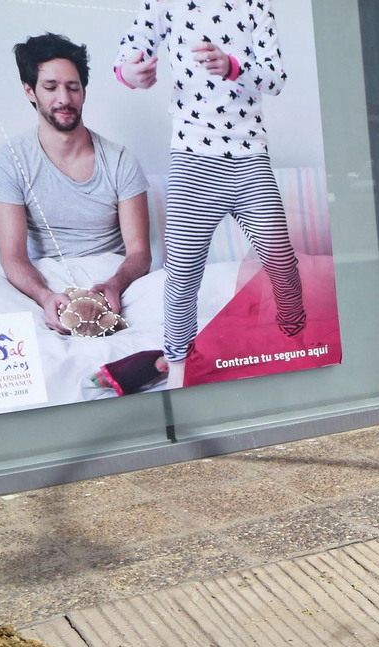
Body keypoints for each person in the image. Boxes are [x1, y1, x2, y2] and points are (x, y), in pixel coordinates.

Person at [116, 0, 306, 371]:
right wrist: (131, 73)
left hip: (250, 157)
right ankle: (178, 358)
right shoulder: (164, 4)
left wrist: (232, 66)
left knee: (281, 260)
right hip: (192, 160)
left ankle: (296, 338)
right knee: (183, 269)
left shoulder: (256, 7)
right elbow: (129, 53)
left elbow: (277, 79)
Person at [0, 33, 152, 337]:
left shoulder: (120, 160)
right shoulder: (9, 161)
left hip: (114, 281)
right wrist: (46, 296)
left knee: (183, 295)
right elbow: (12, 256)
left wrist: (114, 285)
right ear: (30, 91)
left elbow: (139, 253)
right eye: (50, 87)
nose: (64, 98)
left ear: (84, 92)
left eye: (72, 87)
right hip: (46, 282)